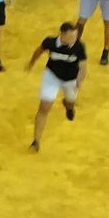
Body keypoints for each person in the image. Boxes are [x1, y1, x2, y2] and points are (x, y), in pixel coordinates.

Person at [25, 21, 86, 152]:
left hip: (70, 80)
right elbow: (39, 51)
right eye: (71, 37)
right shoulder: (50, 42)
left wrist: (78, 83)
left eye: (76, 36)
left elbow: (83, 68)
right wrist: (31, 63)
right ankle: (36, 141)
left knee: (70, 101)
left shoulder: (79, 47)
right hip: (52, 76)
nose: (74, 40)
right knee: (44, 107)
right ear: (62, 35)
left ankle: (69, 107)